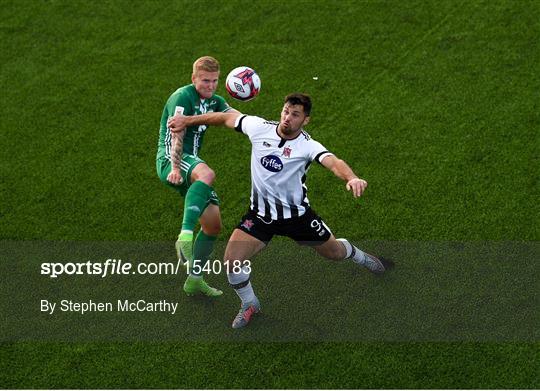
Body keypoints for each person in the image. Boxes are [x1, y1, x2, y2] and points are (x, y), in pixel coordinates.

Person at [168, 93, 389, 328]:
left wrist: (352, 177)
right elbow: (224, 118)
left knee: (334, 253)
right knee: (232, 261)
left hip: (298, 218)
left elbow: (333, 162)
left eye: (295, 115)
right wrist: (188, 120)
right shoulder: (259, 127)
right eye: (285, 111)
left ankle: (362, 257)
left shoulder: (307, 145)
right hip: (260, 217)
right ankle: (250, 303)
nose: (287, 118)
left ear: (305, 120)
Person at [156, 56, 239, 297]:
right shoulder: (183, 97)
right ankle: (184, 236)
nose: (210, 86)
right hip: (171, 159)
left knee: (213, 225)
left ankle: (194, 279)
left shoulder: (214, 100)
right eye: (205, 81)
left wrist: (264, 127)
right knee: (207, 173)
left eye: (214, 81)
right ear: (194, 79)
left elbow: (235, 118)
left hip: (188, 163)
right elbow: (177, 133)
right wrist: (174, 168)